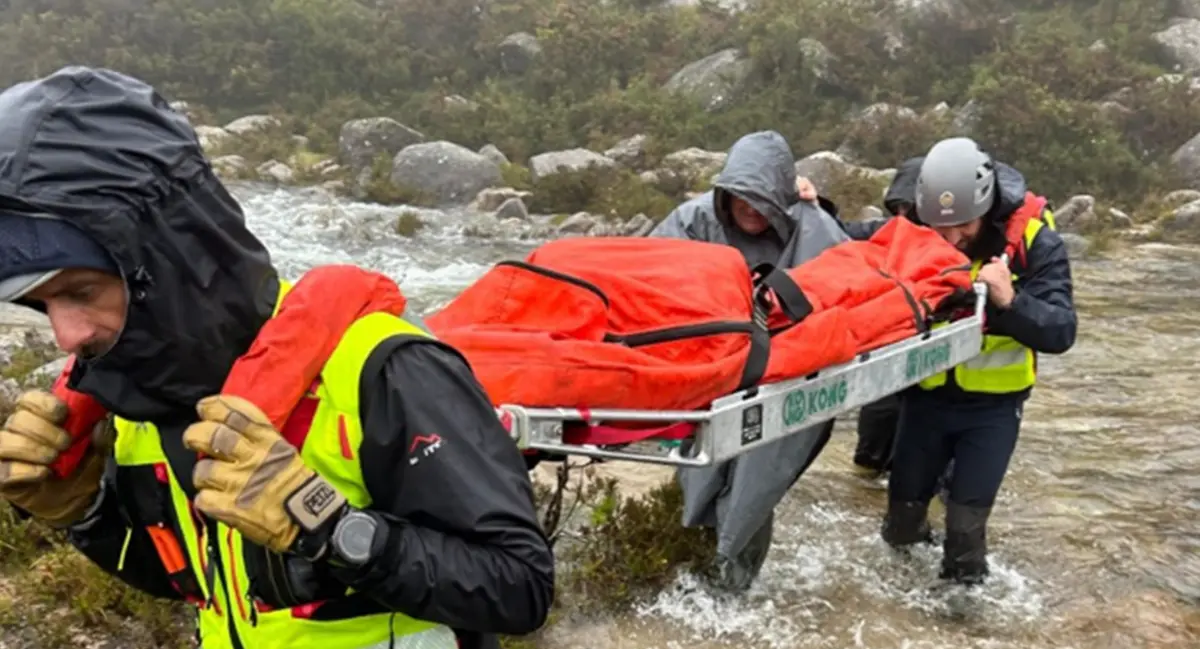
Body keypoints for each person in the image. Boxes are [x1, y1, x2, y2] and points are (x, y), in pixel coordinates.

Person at [0, 66, 554, 649]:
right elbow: (200, 586)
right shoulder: (136, 396)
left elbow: (520, 586)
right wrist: (84, 513)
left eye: (83, 292)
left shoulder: (382, 367)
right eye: (43, 303)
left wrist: (329, 528)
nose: (66, 335)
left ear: (167, 260)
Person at [838, 136, 1077, 584]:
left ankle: (964, 622)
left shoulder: (1033, 243)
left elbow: (1061, 330)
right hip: (924, 404)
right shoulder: (919, 228)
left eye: (962, 226)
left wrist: (1010, 300)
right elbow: (856, 239)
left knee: (965, 535)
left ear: (985, 207)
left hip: (992, 412)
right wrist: (814, 208)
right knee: (900, 527)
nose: (949, 239)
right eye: (938, 226)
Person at [650, 130, 851, 592]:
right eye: (742, 199)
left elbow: (849, 278)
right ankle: (694, 570)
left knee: (753, 483)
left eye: (763, 202)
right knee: (700, 474)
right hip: (712, 368)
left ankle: (731, 590)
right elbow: (647, 275)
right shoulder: (694, 219)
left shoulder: (811, 223)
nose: (751, 211)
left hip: (786, 374)